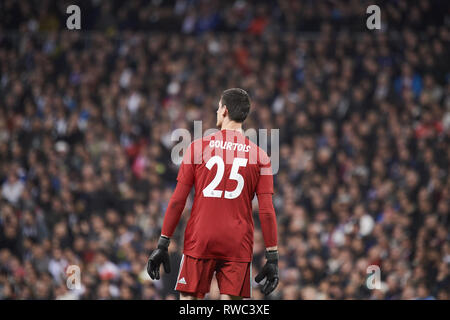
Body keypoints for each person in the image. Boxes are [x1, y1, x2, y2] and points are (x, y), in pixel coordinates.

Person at [146, 88, 279, 300]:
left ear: (224, 110)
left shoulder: (198, 147)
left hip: (201, 237)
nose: (217, 111)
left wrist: (163, 243)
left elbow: (178, 200)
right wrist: (272, 256)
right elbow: (266, 211)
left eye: (218, 107)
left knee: (190, 301)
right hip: (237, 240)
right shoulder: (260, 156)